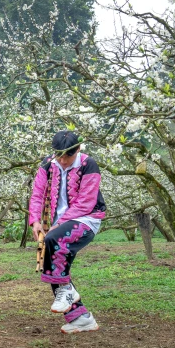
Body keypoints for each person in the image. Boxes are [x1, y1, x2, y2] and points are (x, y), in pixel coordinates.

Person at [30, 131, 106, 334]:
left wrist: (58, 225)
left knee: (53, 241)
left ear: (78, 150)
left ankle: (69, 294)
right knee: (53, 265)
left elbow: (86, 203)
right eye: (59, 156)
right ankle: (81, 318)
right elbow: (37, 193)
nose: (63, 161)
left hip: (86, 219)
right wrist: (35, 220)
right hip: (58, 225)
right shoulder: (48, 163)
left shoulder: (89, 165)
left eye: (68, 156)